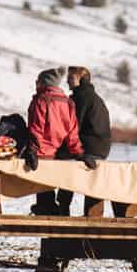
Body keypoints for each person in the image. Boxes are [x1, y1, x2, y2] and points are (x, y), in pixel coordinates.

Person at [26, 67, 83, 215]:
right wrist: (78, 152)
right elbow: (72, 133)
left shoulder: (42, 100)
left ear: (44, 83)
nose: (35, 83)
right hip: (60, 154)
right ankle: (53, 216)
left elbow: (36, 128)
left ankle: (48, 214)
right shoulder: (68, 102)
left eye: (38, 81)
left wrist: (32, 149)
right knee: (50, 189)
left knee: (44, 195)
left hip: (42, 153)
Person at [55, 66, 112, 215]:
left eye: (71, 78)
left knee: (61, 163)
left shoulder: (81, 98)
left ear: (82, 79)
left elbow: (73, 127)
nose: (67, 80)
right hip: (101, 148)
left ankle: (60, 207)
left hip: (90, 147)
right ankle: (89, 211)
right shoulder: (93, 96)